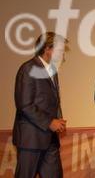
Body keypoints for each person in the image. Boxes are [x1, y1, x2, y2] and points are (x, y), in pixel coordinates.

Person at [13, 32, 68, 178]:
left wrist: (59, 120)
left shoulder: (53, 71)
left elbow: (54, 100)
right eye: (60, 50)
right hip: (30, 138)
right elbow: (24, 104)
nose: (63, 55)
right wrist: (50, 122)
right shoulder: (28, 68)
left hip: (50, 139)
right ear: (48, 49)